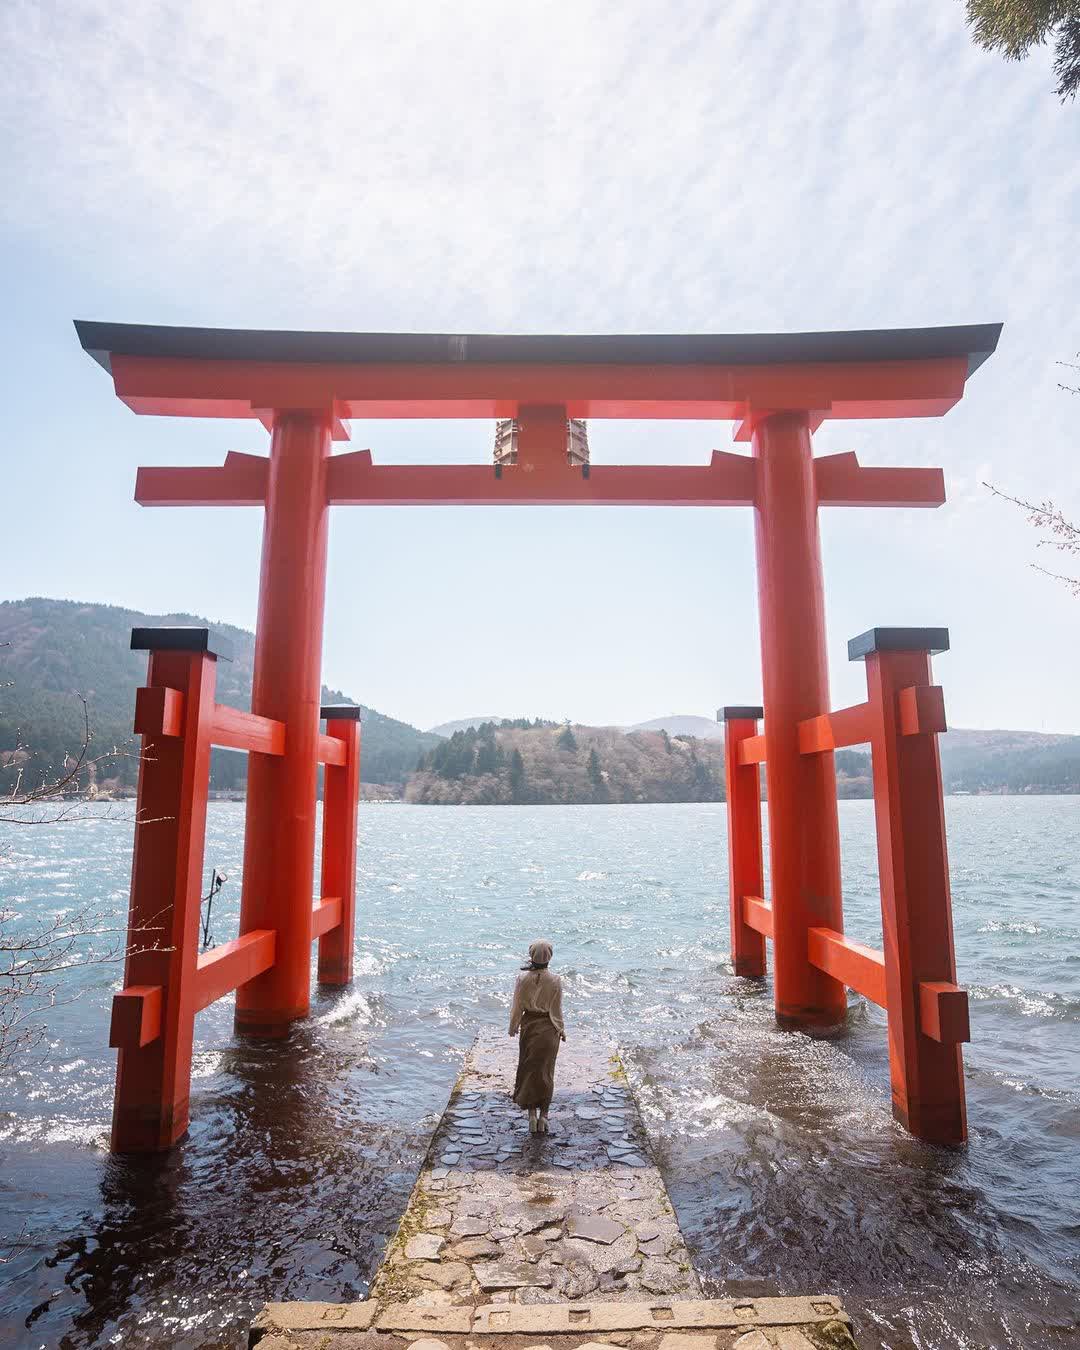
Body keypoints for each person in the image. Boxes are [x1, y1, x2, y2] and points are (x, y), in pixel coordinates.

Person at [508, 939, 566, 1135]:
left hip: (530, 1027)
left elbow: (517, 1007)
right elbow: (556, 1010)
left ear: (532, 955)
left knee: (529, 1070)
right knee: (546, 1072)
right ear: (550, 957)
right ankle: (544, 1117)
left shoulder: (521, 979)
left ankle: (532, 1115)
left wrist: (513, 1026)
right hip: (549, 1029)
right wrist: (561, 1029)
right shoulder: (556, 980)